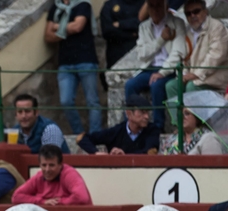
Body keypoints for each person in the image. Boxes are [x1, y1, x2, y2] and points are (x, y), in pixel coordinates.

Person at [124, 0, 186, 129]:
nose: (155, 10)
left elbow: (178, 52)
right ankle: (132, 123)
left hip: (169, 69)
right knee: (130, 85)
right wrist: (161, 39)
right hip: (150, 68)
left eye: (159, 5)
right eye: (152, 6)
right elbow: (142, 54)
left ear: (166, 7)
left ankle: (158, 126)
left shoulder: (177, 23)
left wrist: (162, 72)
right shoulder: (144, 27)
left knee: (156, 85)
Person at [45, 0, 101, 135]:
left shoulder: (83, 5)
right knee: (65, 101)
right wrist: (65, 30)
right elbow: (48, 36)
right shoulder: (55, 7)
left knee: (92, 101)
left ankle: (95, 134)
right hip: (65, 63)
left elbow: (78, 27)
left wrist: (56, 27)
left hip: (86, 60)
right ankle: (79, 134)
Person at [162, 0, 228, 104]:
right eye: (188, 13)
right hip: (196, 77)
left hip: (217, 77)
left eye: (196, 11)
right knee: (171, 86)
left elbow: (214, 58)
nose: (192, 16)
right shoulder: (188, 32)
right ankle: (178, 120)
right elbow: (183, 58)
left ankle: (195, 120)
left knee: (192, 86)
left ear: (205, 11)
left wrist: (196, 74)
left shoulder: (217, 28)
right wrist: (183, 74)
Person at [77, 94, 160, 155]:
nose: (146, 117)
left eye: (147, 113)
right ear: (129, 114)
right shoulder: (117, 131)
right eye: (142, 112)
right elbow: (82, 138)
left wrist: (124, 156)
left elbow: (149, 151)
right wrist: (96, 153)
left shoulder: (152, 130)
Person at [12, 144, 92, 206]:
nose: (47, 170)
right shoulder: (38, 177)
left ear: (60, 165)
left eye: (51, 165)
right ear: (39, 165)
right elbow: (16, 197)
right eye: (44, 165)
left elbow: (82, 197)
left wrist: (57, 203)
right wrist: (42, 201)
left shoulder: (69, 174)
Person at [99, 0, 142, 71]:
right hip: (116, 58)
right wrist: (131, 35)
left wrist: (120, 24)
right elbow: (107, 31)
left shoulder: (143, 3)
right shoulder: (109, 5)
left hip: (139, 56)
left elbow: (144, 23)